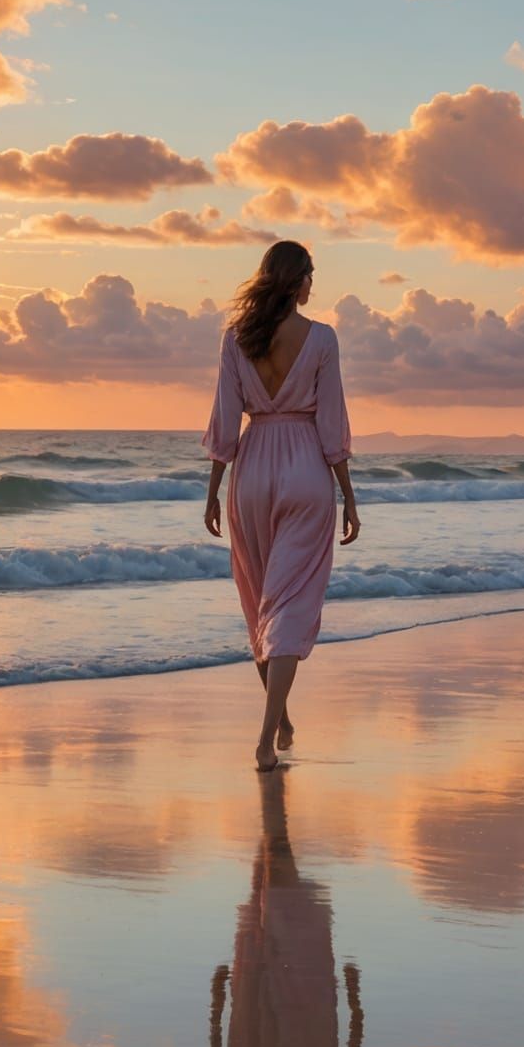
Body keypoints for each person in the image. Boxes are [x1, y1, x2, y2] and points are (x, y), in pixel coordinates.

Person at [203, 240, 360, 771]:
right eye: (310, 276)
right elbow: (332, 424)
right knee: (287, 606)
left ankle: (281, 720)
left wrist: (213, 491)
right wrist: (348, 495)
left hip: (251, 474)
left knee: (260, 605)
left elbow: (225, 423)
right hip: (305, 469)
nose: (313, 285)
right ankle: (267, 737)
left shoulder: (236, 339)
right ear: (297, 281)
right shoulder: (322, 339)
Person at [209, 772, 363, 1047]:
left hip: (291, 989)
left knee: (270, 886)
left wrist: (217, 1003)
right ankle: (272, 803)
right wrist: (216, 1002)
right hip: (293, 990)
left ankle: (272, 801)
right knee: (272, 890)